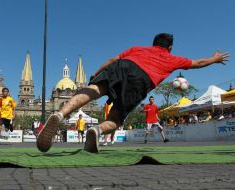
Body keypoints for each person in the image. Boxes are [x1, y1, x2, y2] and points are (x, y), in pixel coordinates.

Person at [36, 33, 229, 153]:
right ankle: (97, 130)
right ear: (169, 47)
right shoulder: (172, 58)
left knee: (94, 90)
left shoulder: (138, 48)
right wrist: (214, 59)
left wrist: (96, 73)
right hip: (142, 80)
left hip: (124, 65)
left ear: (153, 43)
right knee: (116, 118)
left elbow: (113, 59)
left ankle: (59, 114)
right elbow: (198, 63)